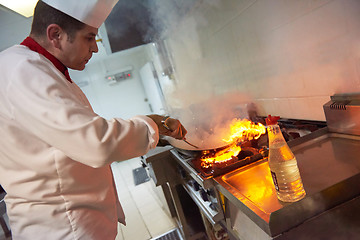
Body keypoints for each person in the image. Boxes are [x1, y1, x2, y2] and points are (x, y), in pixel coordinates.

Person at [0, 0, 187, 239]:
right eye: (89, 38)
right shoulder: (22, 70)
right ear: (55, 34)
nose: (95, 48)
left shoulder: (40, 68)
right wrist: (153, 124)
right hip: (63, 228)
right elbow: (96, 142)